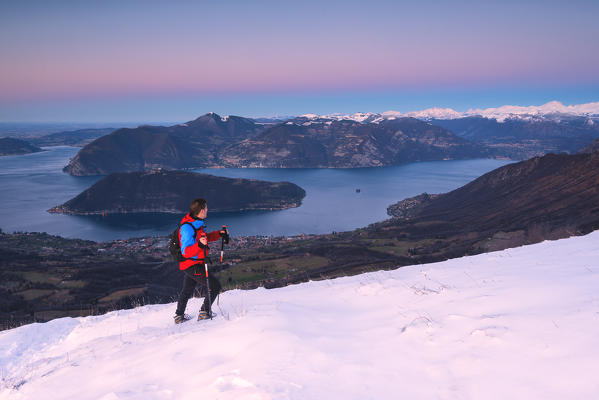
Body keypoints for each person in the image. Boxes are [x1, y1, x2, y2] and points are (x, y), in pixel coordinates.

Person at [174, 198, 229, 323]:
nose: (207, 210)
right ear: (201, 210)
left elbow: (205, 238)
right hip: (192, 264)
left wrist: (219, 234)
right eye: (206, 208)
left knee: (187, 289)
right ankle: (204, 312)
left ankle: (179, 316)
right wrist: (199, 245)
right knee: (214, 285)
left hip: (194, 263)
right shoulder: (188, 228)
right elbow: (186, 251)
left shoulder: (197, 223)